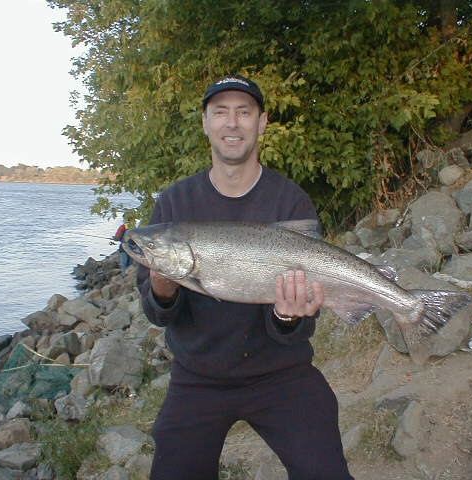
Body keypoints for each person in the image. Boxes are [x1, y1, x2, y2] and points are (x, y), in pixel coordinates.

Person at [136, 75, 354, 480]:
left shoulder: (290, 200)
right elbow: (157, 314)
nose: (231, 123)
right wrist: (161, 290)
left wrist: (290, 316)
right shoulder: (173, 203)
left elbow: (299, 327)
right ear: (205, 123)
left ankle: (411, 308)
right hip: (197, 377)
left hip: (281, 374)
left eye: (244, 112)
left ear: (262, 122)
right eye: (220, 112)